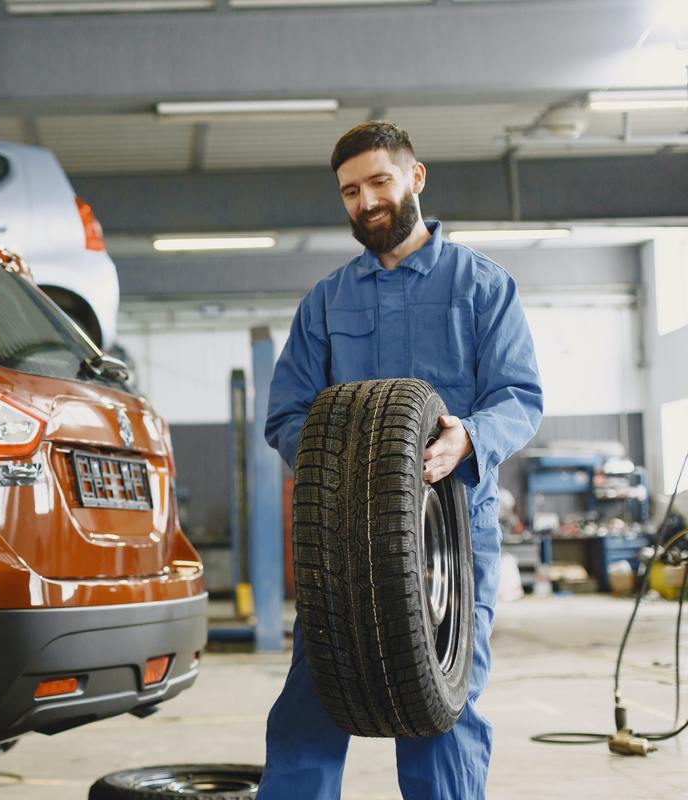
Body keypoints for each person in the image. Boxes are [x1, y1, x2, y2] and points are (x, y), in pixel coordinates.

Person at [257, 121, 543, 800]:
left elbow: (519, 398)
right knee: (310, 704)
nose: (366, 201)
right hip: (342, 542)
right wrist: (343, 467)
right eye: (350, 191)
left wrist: (467, 437)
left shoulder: (482, 287)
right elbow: (285, 415)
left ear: (415, 177)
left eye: (379, 182)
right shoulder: (326, 302)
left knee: (441, 710)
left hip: (450, 537)